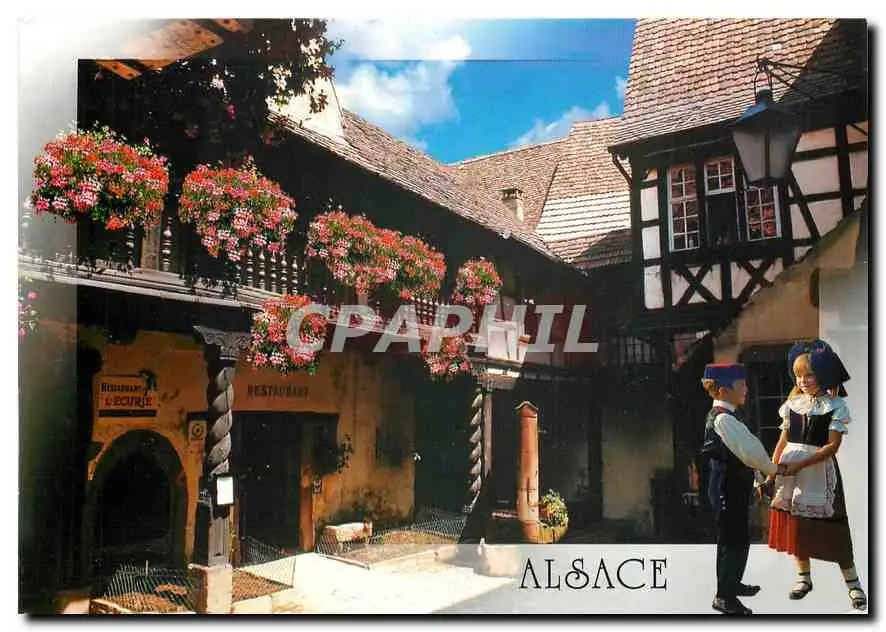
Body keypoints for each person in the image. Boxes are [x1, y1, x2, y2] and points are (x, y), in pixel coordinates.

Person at [767, 340, 867, 610]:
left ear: (823, 375)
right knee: (797, 526)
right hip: (790, 473)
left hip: (818, 472)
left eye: (809, 375)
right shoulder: (792, 405)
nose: (803, 381)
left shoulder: (835, 406)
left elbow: (832, 446)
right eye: (799, 376)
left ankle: (853, 584)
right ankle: (804, 577)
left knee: (832, 529)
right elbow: (783, 440)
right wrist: (771, 470)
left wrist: (801, 465)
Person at [700, 363, 787, 615]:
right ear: (723, 390)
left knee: (738, 538)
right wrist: (774, 469)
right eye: (741, 384)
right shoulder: (723, 418)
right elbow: (750, 452)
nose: (746, 389)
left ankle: (732, 583)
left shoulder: (730, 415)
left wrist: (759, 478)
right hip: (725, 489)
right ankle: (724, 596)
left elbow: (744, 452)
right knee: (732, 541)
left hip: (733, 487)